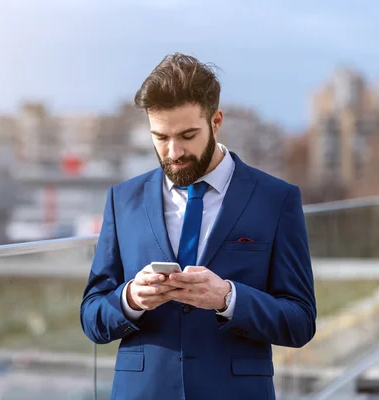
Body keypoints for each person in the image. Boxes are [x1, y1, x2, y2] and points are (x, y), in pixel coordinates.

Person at [80, 53, 317, 399]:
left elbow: (300, 321)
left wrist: (228, 298)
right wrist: (131, 298)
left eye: (187, 135)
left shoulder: (275, 200)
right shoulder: (123, 199)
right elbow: (92, 316)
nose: (173, 151)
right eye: (160, 137)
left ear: (216, 120)